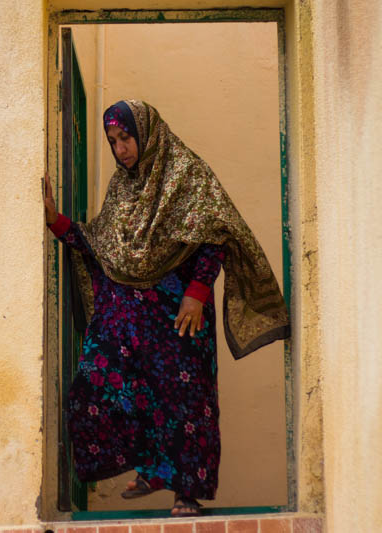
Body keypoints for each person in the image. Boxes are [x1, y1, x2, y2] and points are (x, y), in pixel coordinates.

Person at [43, 100, 290, 517]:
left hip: (180, 313)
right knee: (93, 384)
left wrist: (197, 291)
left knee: (186, 400)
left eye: (126, 137)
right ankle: (152, 467)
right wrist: (57, 222)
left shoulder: (186, 172)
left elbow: (216, 231)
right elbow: (104, 245)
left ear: (147, 131)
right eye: (113, 141)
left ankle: (186, 494)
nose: (121, 148)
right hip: (131, 317)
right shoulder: (123, 187)